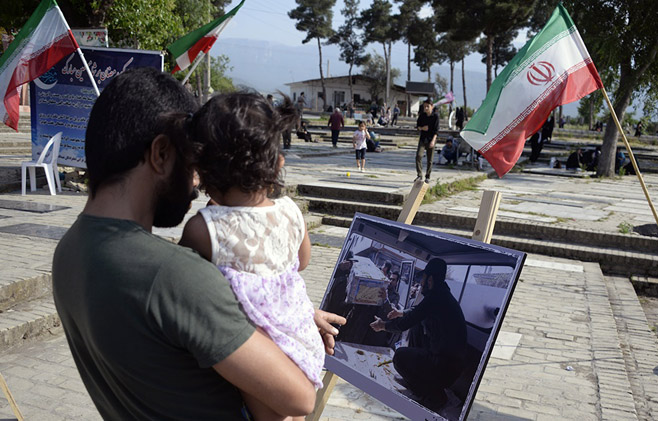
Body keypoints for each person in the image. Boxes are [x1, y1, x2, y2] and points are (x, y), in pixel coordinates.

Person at [52, 68, 345, 420]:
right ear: (161, 153)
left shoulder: (70, 250)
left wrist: (294, 314)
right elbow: (299, 399)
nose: (196, 182)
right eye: (193, 162)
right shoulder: (175, 276)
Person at [180, 92, 324, 420]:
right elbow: (302, 263)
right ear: (278, 164)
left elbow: (180, 280)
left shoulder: (205, 229)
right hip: (302, 340)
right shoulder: (291, 212)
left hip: (258, 350)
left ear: (203, 172)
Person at [370, 258, 467, 409]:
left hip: (445, 366)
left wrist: (383, 325)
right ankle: (421, 382)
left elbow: (405, 323)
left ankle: (434, 395)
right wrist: (401, 312)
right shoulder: (441, 294)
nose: (421, 283)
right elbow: (418, 311)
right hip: (448, 363)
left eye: (423, 278)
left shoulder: (437, 297)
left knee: (399, 357)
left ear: (430, 279)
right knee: (416, 327)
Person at [415, 99, 439, 183]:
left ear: (432, 106)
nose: (426, 108)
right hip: (423, 139)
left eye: (427, 106)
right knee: (418, 156)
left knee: (430, 159)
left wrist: (433, 141)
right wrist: (422, 128)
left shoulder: (435, 117)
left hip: (431, 139)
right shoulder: (422, 116)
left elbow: (436, 131)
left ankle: (427, 176)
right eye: (424, 106)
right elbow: (417, 127)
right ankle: (419, 175)